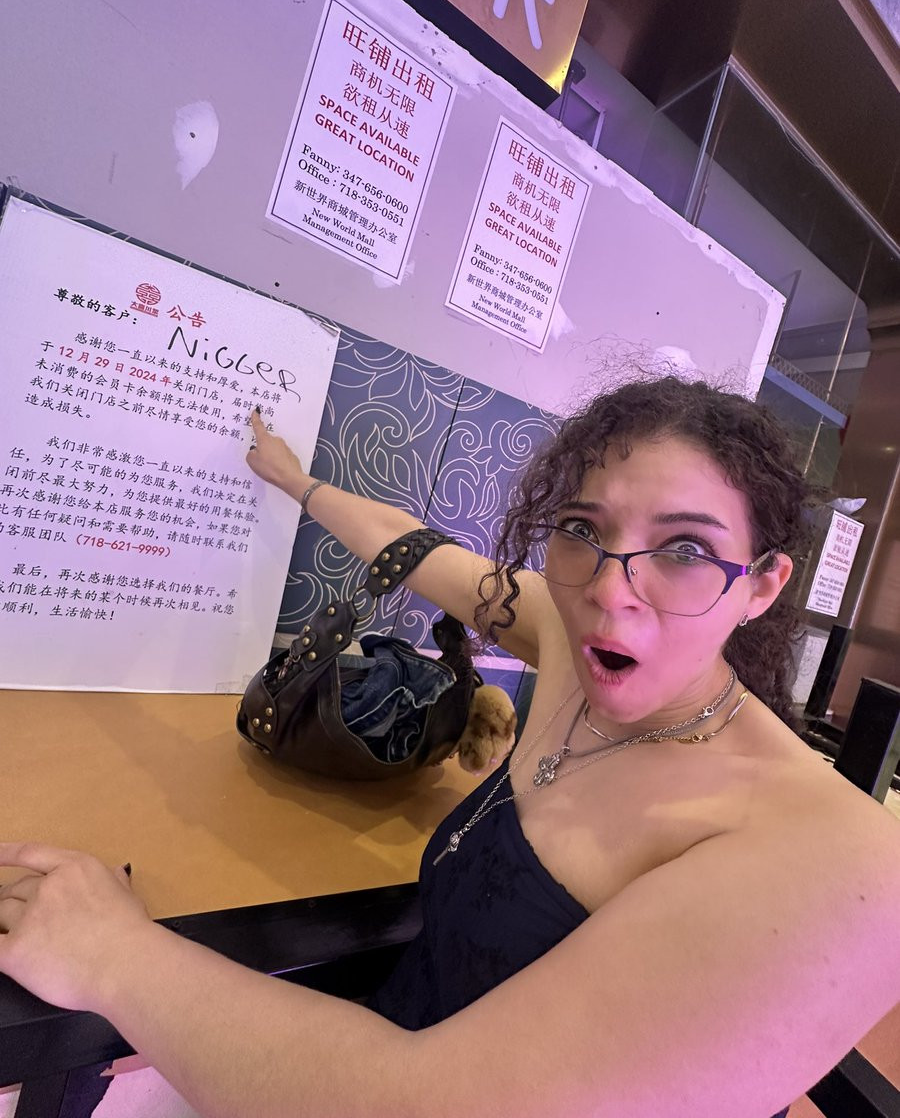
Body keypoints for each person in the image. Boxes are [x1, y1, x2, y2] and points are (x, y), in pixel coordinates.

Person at [2, 375, 900, 1118]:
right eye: (583, 531)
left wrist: (113, 956)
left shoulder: (843, 865)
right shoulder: (567, 642)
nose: (609, 590)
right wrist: (296, 482)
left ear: (762, 586)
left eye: (687, 549)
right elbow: (413, 548)